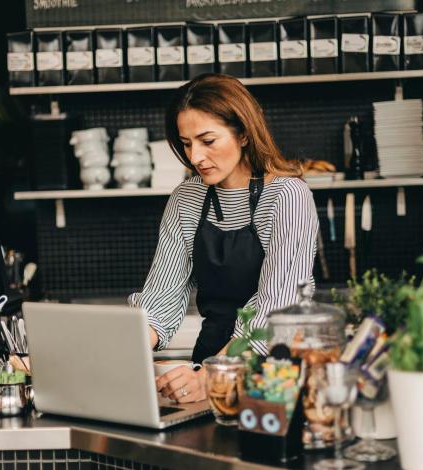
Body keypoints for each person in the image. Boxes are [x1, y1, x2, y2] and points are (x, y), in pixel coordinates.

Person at [128, 73, 319, 403]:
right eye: (187, 144)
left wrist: (218, 375)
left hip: (271, 375)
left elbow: (277, 310)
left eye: (207, 141)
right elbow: (161, 300)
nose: (195, 157)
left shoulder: (287, 196)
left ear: (243, 133)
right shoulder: (186, 199)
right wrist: (117, 354)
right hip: (208, 366)